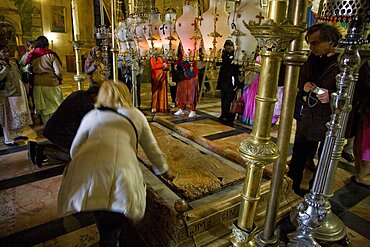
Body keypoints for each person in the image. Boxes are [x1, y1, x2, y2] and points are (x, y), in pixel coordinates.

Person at [57, 80, 174, 246]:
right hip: (121, 176)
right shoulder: (136, 115)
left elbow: (75, 149)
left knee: (103, 220)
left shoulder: (92, 116)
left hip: (91, 178)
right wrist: (163, 169)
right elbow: (152, 149)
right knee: (114, 223)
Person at [287, 23, 370, 196]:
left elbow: (361, 91)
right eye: (309, 43)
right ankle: (289, 190)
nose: (311, 47)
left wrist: (332, 95)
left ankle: (315, 194)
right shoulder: (312, 58)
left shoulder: (350, 61)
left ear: (331, 41)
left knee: (325, 161)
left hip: (332, 120)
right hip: (308, 117)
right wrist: (304, 86)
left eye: (315, 43)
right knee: (299, 156)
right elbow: (301, 78)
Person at [27, 83, 100, 167]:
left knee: (75, 145)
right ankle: (44, 153)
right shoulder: (86, 103)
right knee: (78, 155)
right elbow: (92, 123)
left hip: (53, 129)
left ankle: (38, 146)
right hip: (59, 132)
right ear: (94, 95)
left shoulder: (80, 94)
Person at [26, 36, 63, 124]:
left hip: (37, 84)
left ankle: (47, 126)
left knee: (44, 108)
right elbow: (58, 71)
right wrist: (60, 78)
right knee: (55, 106)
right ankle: (55, 126)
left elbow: (27, 69)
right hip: (51, 83)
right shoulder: (50, 54)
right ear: (47, 44)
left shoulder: (32, 55)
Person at [0, 44, 33, 146]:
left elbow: (19, 73)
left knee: (17, 113)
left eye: (7, 51)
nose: (6, 54)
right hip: (7, 93)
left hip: (17, 91)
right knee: (8, 115)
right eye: (3, 52)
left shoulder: (13, 62)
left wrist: (26, 70)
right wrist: (5, 69)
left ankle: (16, 134)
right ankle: (8, 138)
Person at [216, 40, 242, 125]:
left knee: (230, 101)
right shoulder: (223, 55)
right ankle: (223, 114)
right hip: (224, 80)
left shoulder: (236, 56)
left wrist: (237, 84)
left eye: (229, 47)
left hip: (231, 82)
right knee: (223, 99)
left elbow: (235, 68)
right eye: (227, 47)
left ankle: (229, 117)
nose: (228, 48)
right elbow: (220, 63)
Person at [173, 45, 199, 118]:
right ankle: (181, 108)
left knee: (191, 94)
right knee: (181, 93)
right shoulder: (181, 55)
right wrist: (176, 64)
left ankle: (192, 110)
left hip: (191, 77)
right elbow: (177, 61)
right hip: (182, 77)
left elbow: (190, 63)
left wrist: (180, 64)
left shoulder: (193, 54)